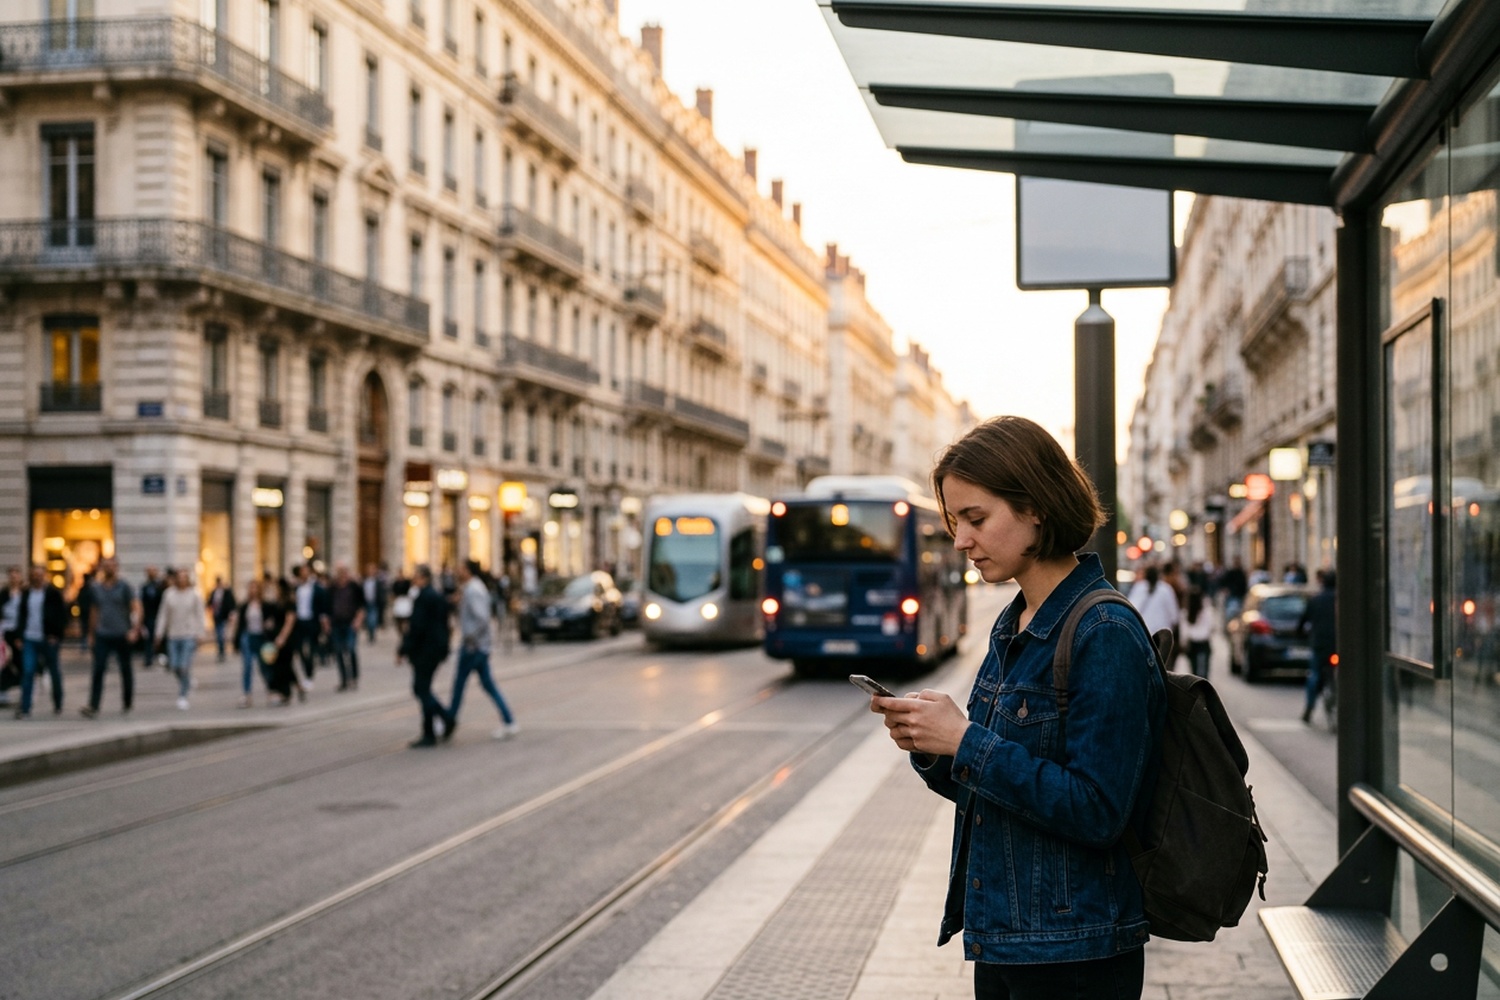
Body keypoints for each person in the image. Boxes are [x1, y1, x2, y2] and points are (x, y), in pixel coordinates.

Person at [869, 416, 1165, 1000]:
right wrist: (933, 746)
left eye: (976, 519)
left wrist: (966, 740)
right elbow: (998, 794)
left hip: (1074, 954)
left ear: (1036, 509)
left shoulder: (1103, 630)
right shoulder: (1014, 624)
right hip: (1007, 939)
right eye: (955, 523)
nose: (960, 541)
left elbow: (1099, 811)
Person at [448, 560, 518, 740]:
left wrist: (470, 637)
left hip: (473, 647)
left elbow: (482, 618)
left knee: (459, 685)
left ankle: (449, 721)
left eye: (461, 569)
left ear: (468, 571)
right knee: (486, 684)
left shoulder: (473, 590)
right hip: (478, 645)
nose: (458, 572)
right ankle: (509, 721)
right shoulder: (471, 588)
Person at [397, 564, 455, 748]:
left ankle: (435, 727)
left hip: (425, 651)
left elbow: (416, 627)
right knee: (423, 689)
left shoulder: (423, 598)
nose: (413, 579)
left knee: (421, 689)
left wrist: (403, 649)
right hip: (434, 649)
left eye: (416, 576)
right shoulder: (436, 596)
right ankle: (442, 721)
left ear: (423, 578)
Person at [80, 557, 140, 717]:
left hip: (122, 634)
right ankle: (93, 705)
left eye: (112, 566)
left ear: (117, 567)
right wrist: (91, 634)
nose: (109, 569)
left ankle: (127, 701)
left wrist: (134, 629)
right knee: (98, 669)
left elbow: (136, 607)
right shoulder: (97, 588)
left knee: (125, 669)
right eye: (106, 566)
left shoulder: (124, 587)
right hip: (103, 634)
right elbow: (94, 611)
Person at [15, 564, 67, 719]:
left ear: (44, 575)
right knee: (28, 671)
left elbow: (62, 616)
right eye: (33, 575)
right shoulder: (26, 593)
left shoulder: (53, 593)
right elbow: (21, 615)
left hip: (48, 638)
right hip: (29, 637)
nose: (36, 577)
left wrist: (56, 635)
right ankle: (25, 707)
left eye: (39, 574)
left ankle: (58, 702)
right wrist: (19, 636)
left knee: (54, 671)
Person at [154, 568, 205, 710]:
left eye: (184, 577)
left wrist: (200, 633)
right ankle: (187, 680)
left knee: (184, 665)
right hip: (173, 635)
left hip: (189, 634)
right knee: (174, 665)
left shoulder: (194, 594)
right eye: (180, 577)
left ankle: (183, 695)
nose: (182, 580)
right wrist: (159, 632)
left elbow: (199, 614)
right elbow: (163, 614)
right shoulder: (169, 594)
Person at [1299, 570, 1338, 724]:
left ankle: (1309, 708)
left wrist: (1300, 633)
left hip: (1319, 644)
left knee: (1314, 675)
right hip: (1337, 645)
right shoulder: (1341, 600)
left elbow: (1303, 621)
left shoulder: (1315, 600)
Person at [327, 563, 365, 691]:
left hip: (350, 623)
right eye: (339, 572)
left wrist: (358, 620)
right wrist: (327, 622)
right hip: (336, 623)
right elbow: (328, 607)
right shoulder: (332, 588)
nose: (342, 575)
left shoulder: (354, 587)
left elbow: (361, 605)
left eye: (343, 572)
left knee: (351, 649)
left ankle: (353, 677)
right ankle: (343, 680)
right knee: (338, 652)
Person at [291, 564, 328, 690]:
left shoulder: (317, 588)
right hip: (299, 622)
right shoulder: (296, 588)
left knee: (311, 650)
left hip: (312, 621)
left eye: (306, 571)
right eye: (302, 572)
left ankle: (309, 675)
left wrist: (324, 622)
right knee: (300, 650)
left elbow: (323, 606)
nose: (304, 574)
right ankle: (306, 672)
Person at [1127, 564, 1180, 647]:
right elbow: (1174, 615)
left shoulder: (1139, 588)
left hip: (1144, 633)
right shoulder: (1166, 589)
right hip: (1163, 634)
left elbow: (1132, 608)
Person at [0, 566, 26, 707]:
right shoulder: (4, 593)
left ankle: (24, 693)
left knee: (20, 662)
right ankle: (3, 692)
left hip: (20, 632)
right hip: (5, 631)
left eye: (16, 575)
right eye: (11, 575)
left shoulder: (25, 593)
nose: (14, 578)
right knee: (3, 662)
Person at [1180, 586, 1216, 679]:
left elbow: (1184, 631)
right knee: (1204, 672)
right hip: (1204, 643)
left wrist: (1183, 643)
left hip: (1192, 643)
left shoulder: (1186, 613)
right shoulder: (1207, 611)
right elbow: (1211, 627)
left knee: (1194, 672)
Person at [139, 566, 165, 667]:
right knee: (148, 638)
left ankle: (161, 656)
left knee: (160, 637)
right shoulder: (145, 587)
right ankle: (148, 658)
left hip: (159, 616)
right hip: (149, 617)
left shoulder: (160, 586)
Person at [208, 576, 237, 663]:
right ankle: (221, 651)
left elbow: (231, 603)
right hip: (216, 616)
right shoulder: (214, 592)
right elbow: (209, 602)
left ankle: (222, 651)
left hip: (223, 616)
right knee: (218, 634)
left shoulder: (226, 592)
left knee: (221, 634)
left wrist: (231, 613)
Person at [362, 563, 387, 643]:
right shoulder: (364, 581)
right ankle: (370, 633)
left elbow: (381, 593)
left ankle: (372, 634)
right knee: (368, 620)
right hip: (366, 603)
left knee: (372, 620)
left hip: (374, 603)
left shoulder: (378, 581)